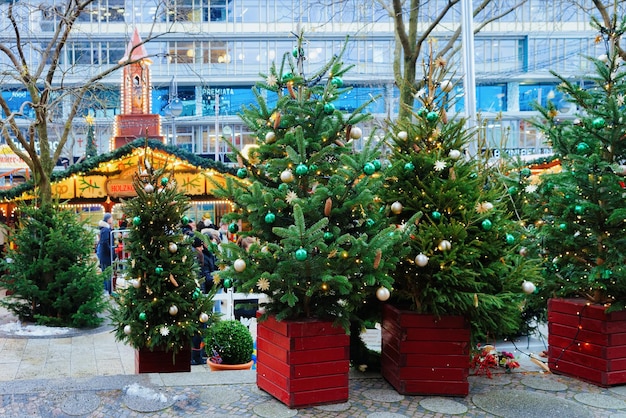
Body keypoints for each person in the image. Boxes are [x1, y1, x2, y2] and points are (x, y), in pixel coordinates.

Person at [96, 213, 114, 294]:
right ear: (108, 219)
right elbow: (105, 243)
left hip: (104, 255)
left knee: (105, 272)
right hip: (106, 256)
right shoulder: (106, 230)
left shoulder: (105, 229)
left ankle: (106, 290)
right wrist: (111, 252)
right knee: (107, 273)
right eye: (111, 218)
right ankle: (107, 291)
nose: (112, 219)